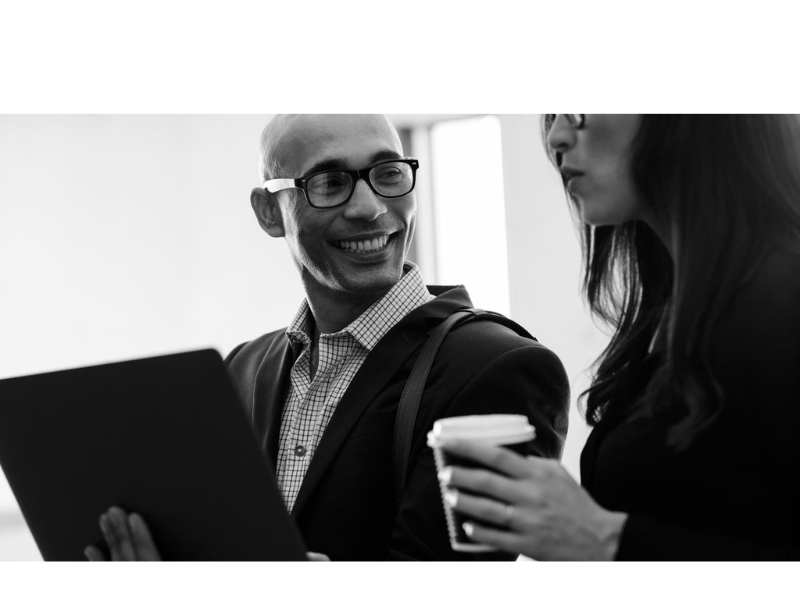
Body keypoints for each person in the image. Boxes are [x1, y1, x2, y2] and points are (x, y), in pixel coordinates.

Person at [85, 114, 570, 561]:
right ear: (269, 213)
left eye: (389, 173)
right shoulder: (243, 370)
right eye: (330, 182)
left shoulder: (496, 368)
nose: (369, 207)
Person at [440, 114, 800, 561]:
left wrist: (605, 540)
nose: (556, 137)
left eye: (578, 106)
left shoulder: (784, 298)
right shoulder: (673, 309)